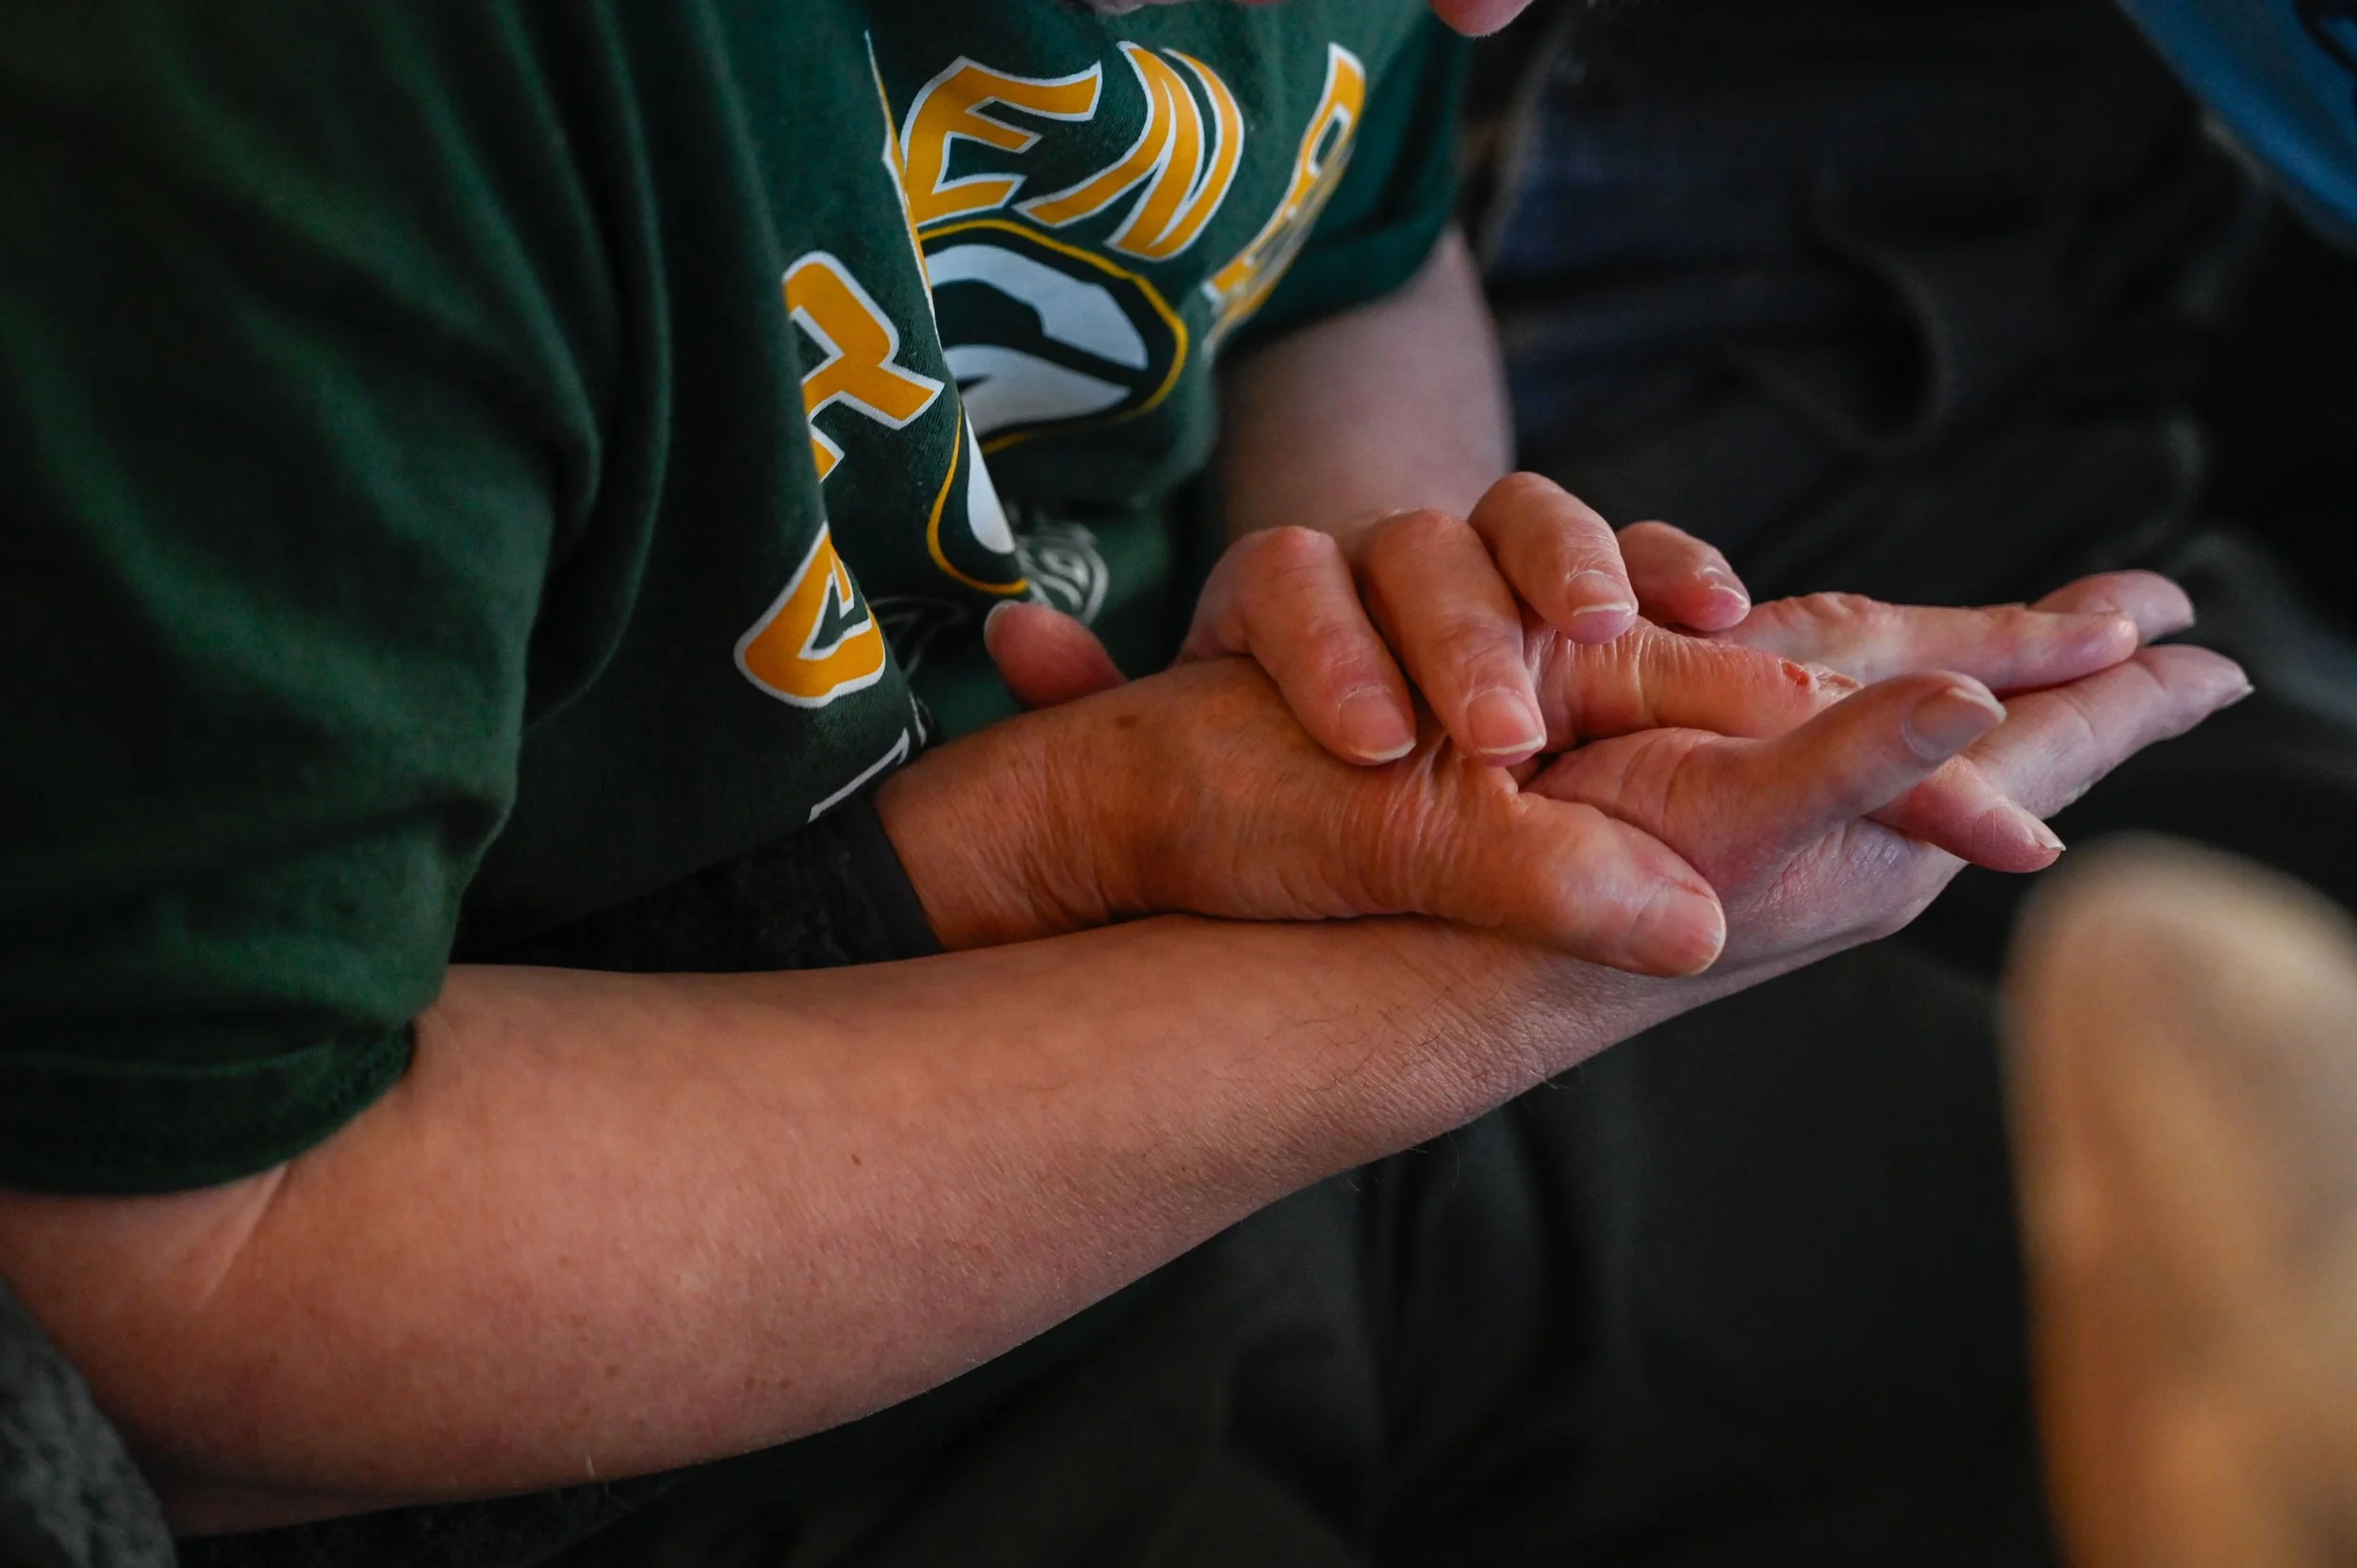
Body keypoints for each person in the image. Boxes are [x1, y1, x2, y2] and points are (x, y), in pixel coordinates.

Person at [0, 0, 2241, 1564]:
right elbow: (177, 1302)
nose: (1473, 19)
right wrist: (1480, 958)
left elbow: (1349, 267)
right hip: (620, 1351)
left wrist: (1431, 639)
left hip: (1185, 985)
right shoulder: (282, 85)